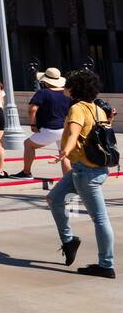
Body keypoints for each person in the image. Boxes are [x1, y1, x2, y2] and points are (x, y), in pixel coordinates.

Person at [46, 69, 115, 278]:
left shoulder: (77, 108)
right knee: (54, 199)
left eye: (69, 85)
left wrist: (64, 152)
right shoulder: (98, 109)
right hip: (87, 169)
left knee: (100, 218)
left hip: (87, 173)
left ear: (75, 89)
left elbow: (74, 132)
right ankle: (69, 241)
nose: (65, 87)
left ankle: (106, 265)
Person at [16, 67, 72, 178]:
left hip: (50, 128)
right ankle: (69, 181)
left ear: (45, 81)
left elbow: (32, 109)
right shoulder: (66, 94)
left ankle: (26, 172)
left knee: (28, 144)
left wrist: (33, 124)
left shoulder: (43, 93)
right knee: (63, 154)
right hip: (64, 128)